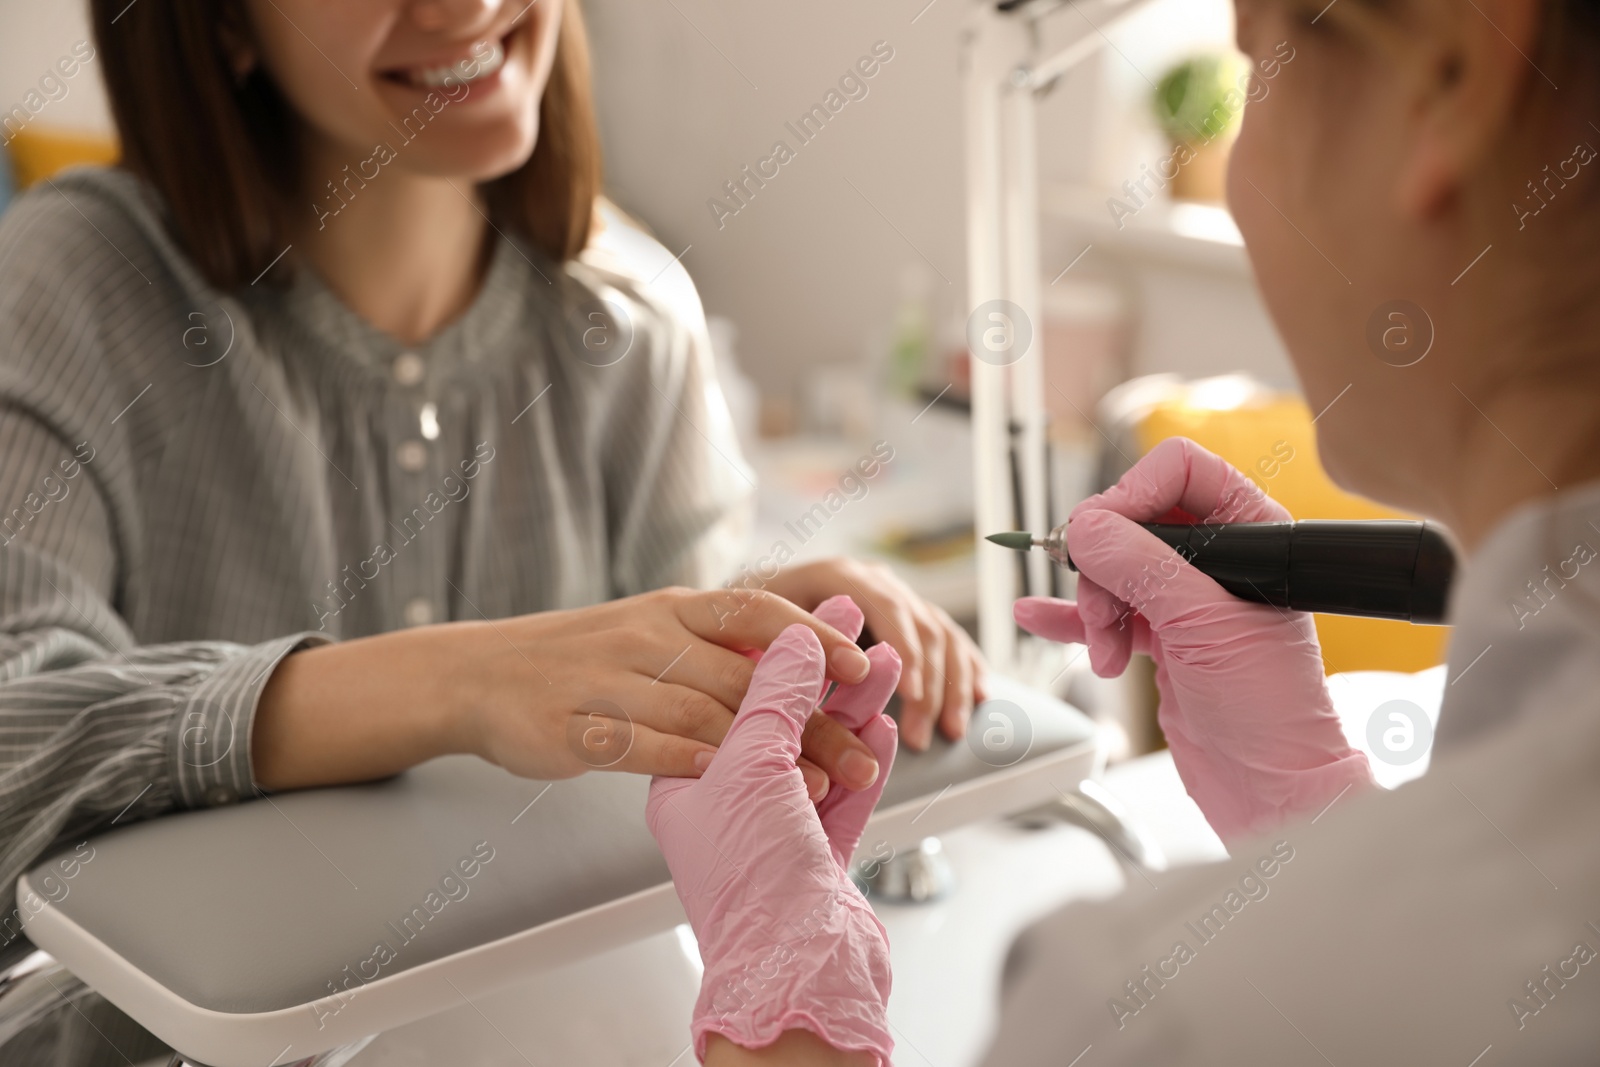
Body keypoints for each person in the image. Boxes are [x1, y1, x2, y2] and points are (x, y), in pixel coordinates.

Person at [0, 0, 986, 1059]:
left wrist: (767, 637)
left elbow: (686, 789)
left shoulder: (637, 319)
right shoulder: (70, 283)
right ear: (223, 25)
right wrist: (463, 683)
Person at [647, 0, 1600, 1062]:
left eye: (1256, 67)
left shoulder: (1155, 1008)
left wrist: (783, 992)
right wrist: (1306, 808)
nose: (1240, 182)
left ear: (1455, 74)